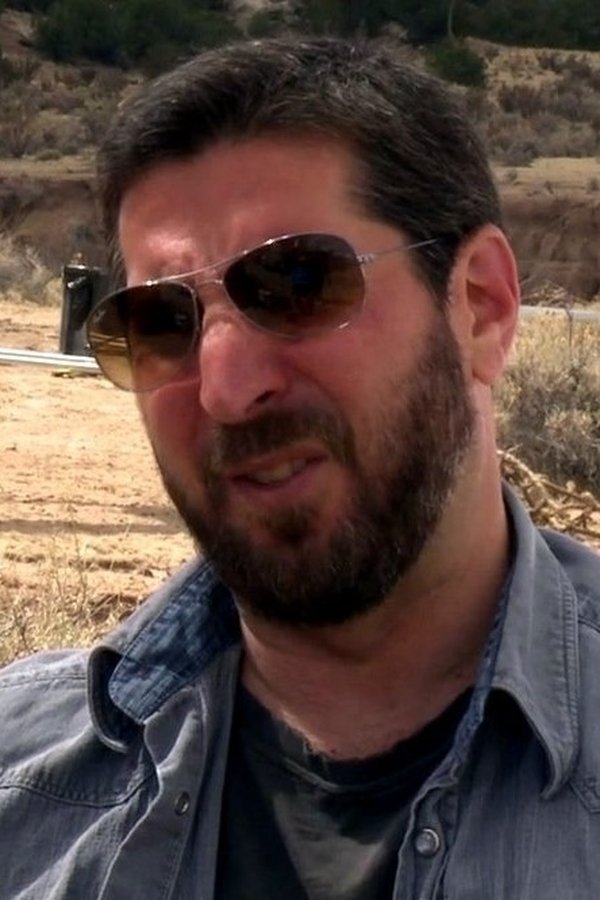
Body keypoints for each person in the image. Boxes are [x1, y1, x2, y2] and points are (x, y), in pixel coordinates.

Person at [1, 36, 599, 900]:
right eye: (160, 322)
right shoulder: (25, 790)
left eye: (296, 283)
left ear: (480, 306)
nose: (227, 389)